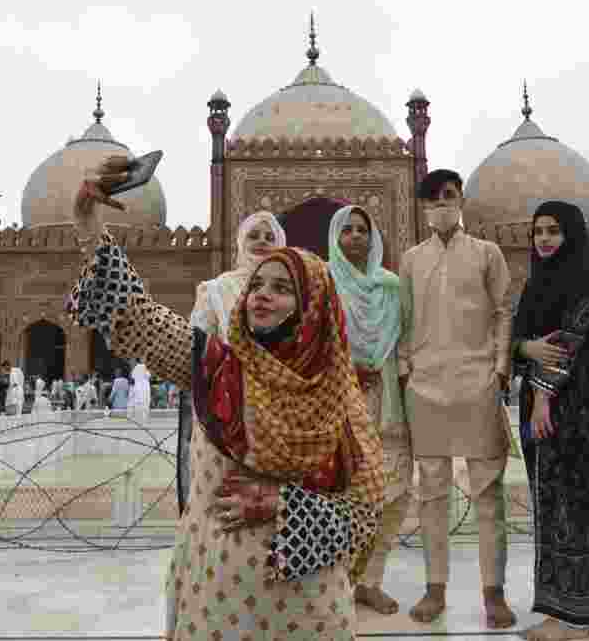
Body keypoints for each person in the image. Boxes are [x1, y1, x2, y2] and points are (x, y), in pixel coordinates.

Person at [71, 161, 385, 639]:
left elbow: (363, 513)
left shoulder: (334, 392)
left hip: (306, 605)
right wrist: (87, 221)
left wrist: (286, 503)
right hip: (219, 592)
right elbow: (136, 317)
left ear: (312, 308)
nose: (262, 296)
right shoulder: (216, 367)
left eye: (282, 289)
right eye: (257, 285)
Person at [512, 201, 589, 640]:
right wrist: (524, 349)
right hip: (562, 401)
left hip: (576, 406)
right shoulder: (539, 286)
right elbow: (523, 339)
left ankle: (568, 618)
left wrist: (543, 400)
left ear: (571, 235)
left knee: (568, 501)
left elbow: (568, 341)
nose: (544, 239)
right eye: (538, 231)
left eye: (553, 230)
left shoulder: (582, 282)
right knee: (576, 500)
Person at [399, 169, 515, 626]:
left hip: (478, 381)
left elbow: (504, 310)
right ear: (424, 205)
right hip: (426, 385)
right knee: (431, 493)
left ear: (461, 198)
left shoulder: (487, 253)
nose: (441, 203)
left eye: (448, 195)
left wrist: (500, 368)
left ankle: (494, 593)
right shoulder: (411, 259)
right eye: (432, 198)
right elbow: (405, 317)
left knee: (489, 493)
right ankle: (435, 588)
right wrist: (407, 370)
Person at [328, 203, 412, 615]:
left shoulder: (392, 286)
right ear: (336, 238)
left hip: (391, 403)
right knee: (346, 496)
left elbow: (407, 340)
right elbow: (314, 345)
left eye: (362, 229)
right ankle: (340, 579)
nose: (355, 236)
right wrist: (347, 368)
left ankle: (371, 581)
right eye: (347, 230)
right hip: (343, 403)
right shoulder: (324, 285)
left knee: (393, 498)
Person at [190, 211, 287, 343]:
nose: (262, 240)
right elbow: (199, 345)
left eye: (270, 238)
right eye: (253, 236)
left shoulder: (290, 289)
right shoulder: (217, 289)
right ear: (241, 243)